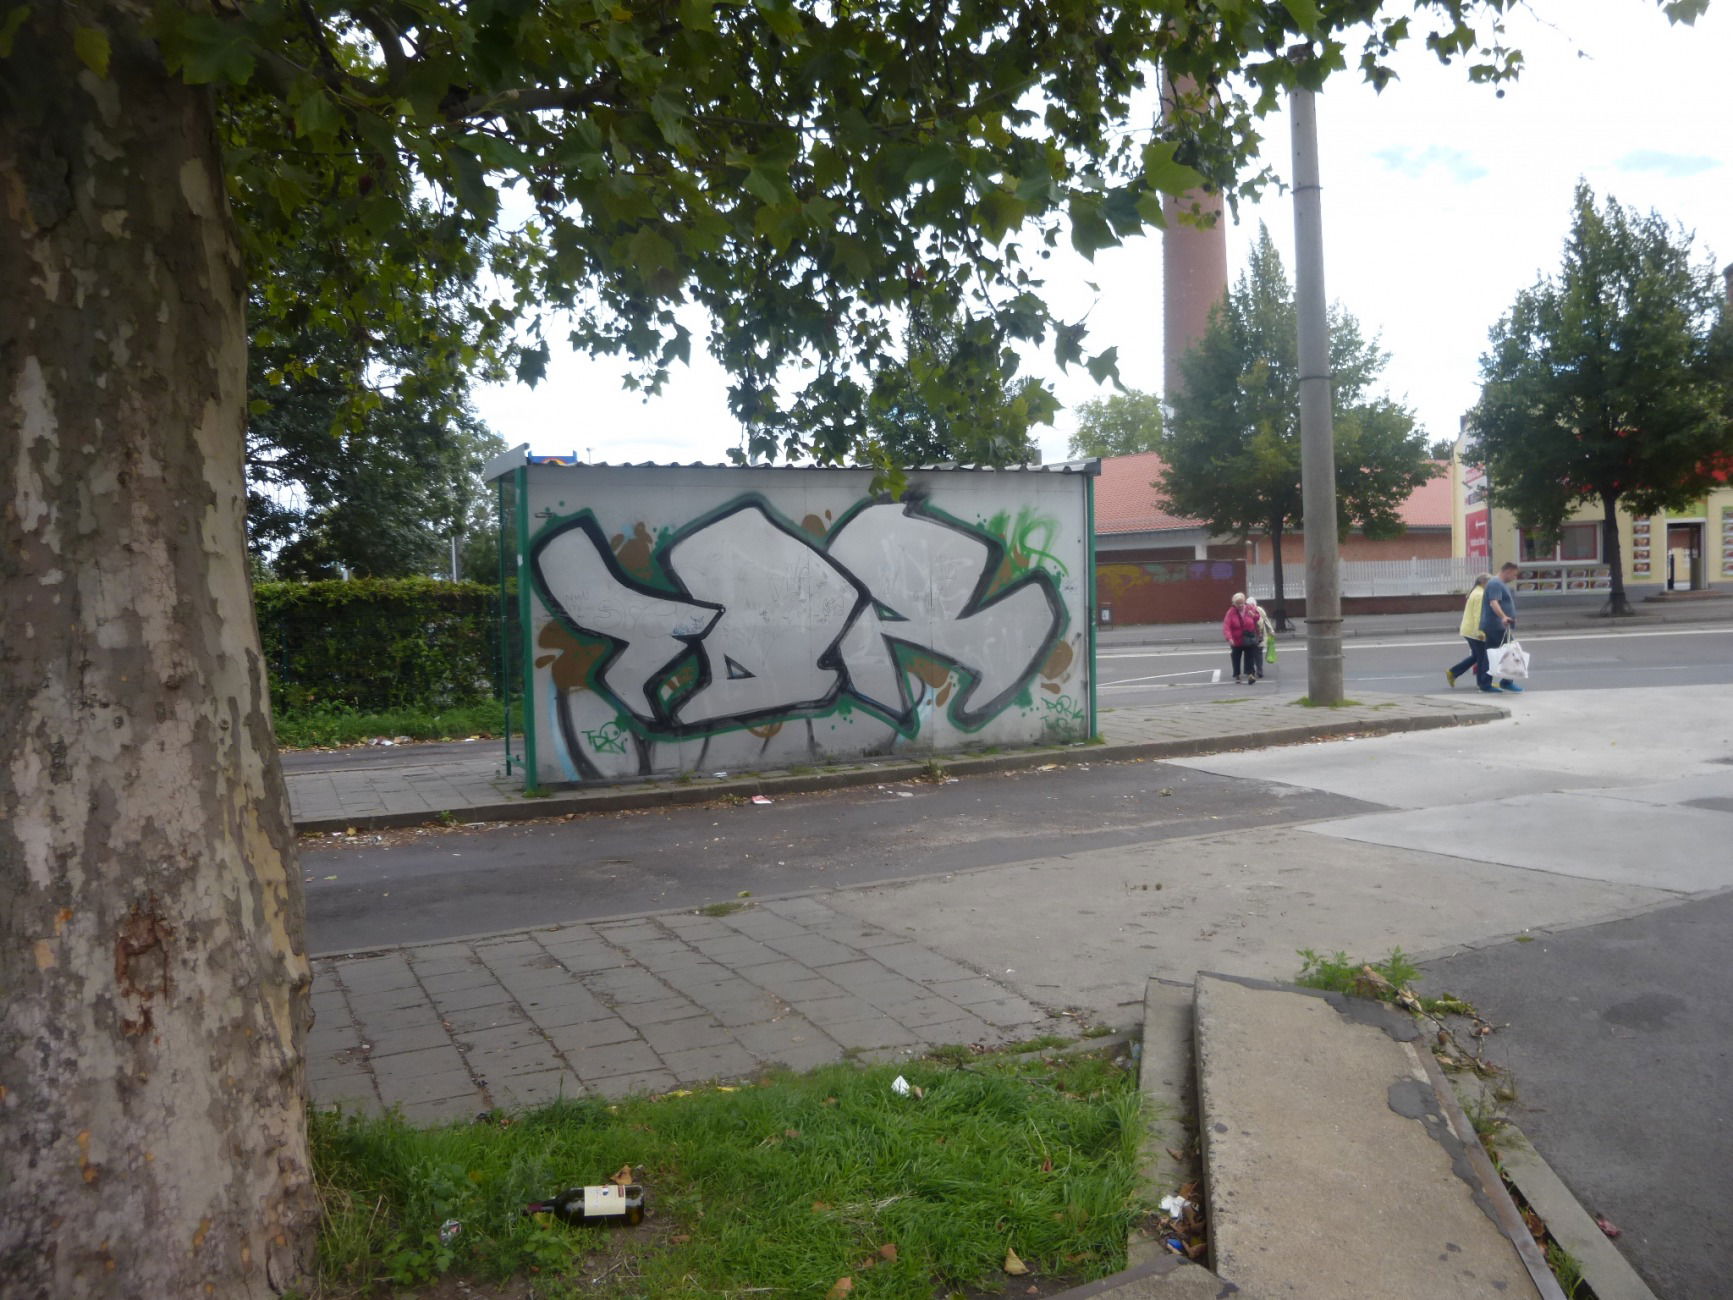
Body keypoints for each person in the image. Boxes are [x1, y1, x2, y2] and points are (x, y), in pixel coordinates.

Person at [1477, 560, 1525, 694]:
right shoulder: (1495, 583)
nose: (1514, 578)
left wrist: (1510, 616)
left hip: (1496, 626)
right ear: (1508, 571)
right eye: (1514, 575)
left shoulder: (1497, 583)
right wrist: (1504, 617)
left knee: (1491, 655)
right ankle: (1506, 682)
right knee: (1511, 652)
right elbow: (1494, 603)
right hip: (1496, 626)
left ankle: (1485, 684)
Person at [1445, 574, 1490, 688]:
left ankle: (1453, 673)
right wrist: (1480, 633)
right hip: (1474, 632)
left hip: (1468, 630)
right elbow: (1478, 615)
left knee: (1476, 656)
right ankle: (1482, 683)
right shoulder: (1480, 595)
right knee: (1482, 658)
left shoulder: (1475, 591)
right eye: (1489, 582)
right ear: (1483, 582)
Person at [1221, 592, 1263, 685]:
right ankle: (1237, 675)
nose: (1240, 605)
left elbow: (1258, 617)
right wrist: (1229, 638)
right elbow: (1226, 626)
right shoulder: (1231, 612)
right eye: (1238, 604)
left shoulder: (1250, 608)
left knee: (1250, 657)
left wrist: (1253, 616)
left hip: (1248, 638)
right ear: (1234, 604)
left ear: (1244, 602)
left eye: (1242, 603)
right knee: (1236, 657)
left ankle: (1250, 675)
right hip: (1236, 640)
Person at [1246, 597, 1270, 679]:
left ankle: (1254, 671)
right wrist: (1271, 630)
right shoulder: (1258, 609)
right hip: (1258, 634)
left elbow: (1265, 619)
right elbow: (1266, 620)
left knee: (1253, 653)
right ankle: (1258, 671)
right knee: (1258, 654)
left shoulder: (1254, 610)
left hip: (1256, 634)